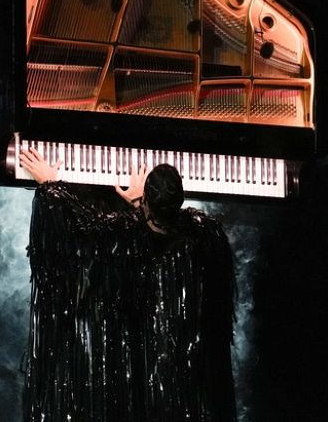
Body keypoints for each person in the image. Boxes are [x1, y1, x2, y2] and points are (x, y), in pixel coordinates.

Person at [18, 147, 237, 421]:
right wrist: (139, 208)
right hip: (183, 372)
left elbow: (77, 231)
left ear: (146, 200)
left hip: (134, 365)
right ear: (180, 201)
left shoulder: (121, 238)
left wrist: (50, 185)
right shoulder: (206, 236)